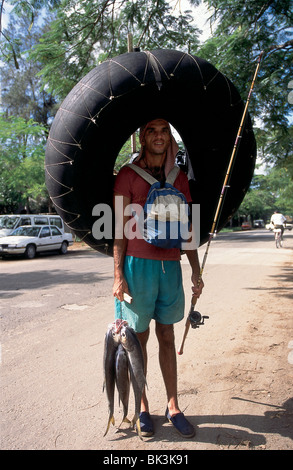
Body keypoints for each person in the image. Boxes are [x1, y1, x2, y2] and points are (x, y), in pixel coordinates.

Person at [113, 118, 204, 438]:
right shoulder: (126, 175)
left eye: (164, 130)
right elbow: (118, 231)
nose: (158, 136)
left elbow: (188, 229)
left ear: (170, 136)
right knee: (138, 341)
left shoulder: (178, 178)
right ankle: (141, 407)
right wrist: (117, 276)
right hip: (138, 267)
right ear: (142, 137)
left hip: (170, 266)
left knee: (167, 335)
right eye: (151, 130)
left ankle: (173, 405)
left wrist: (196, 270)